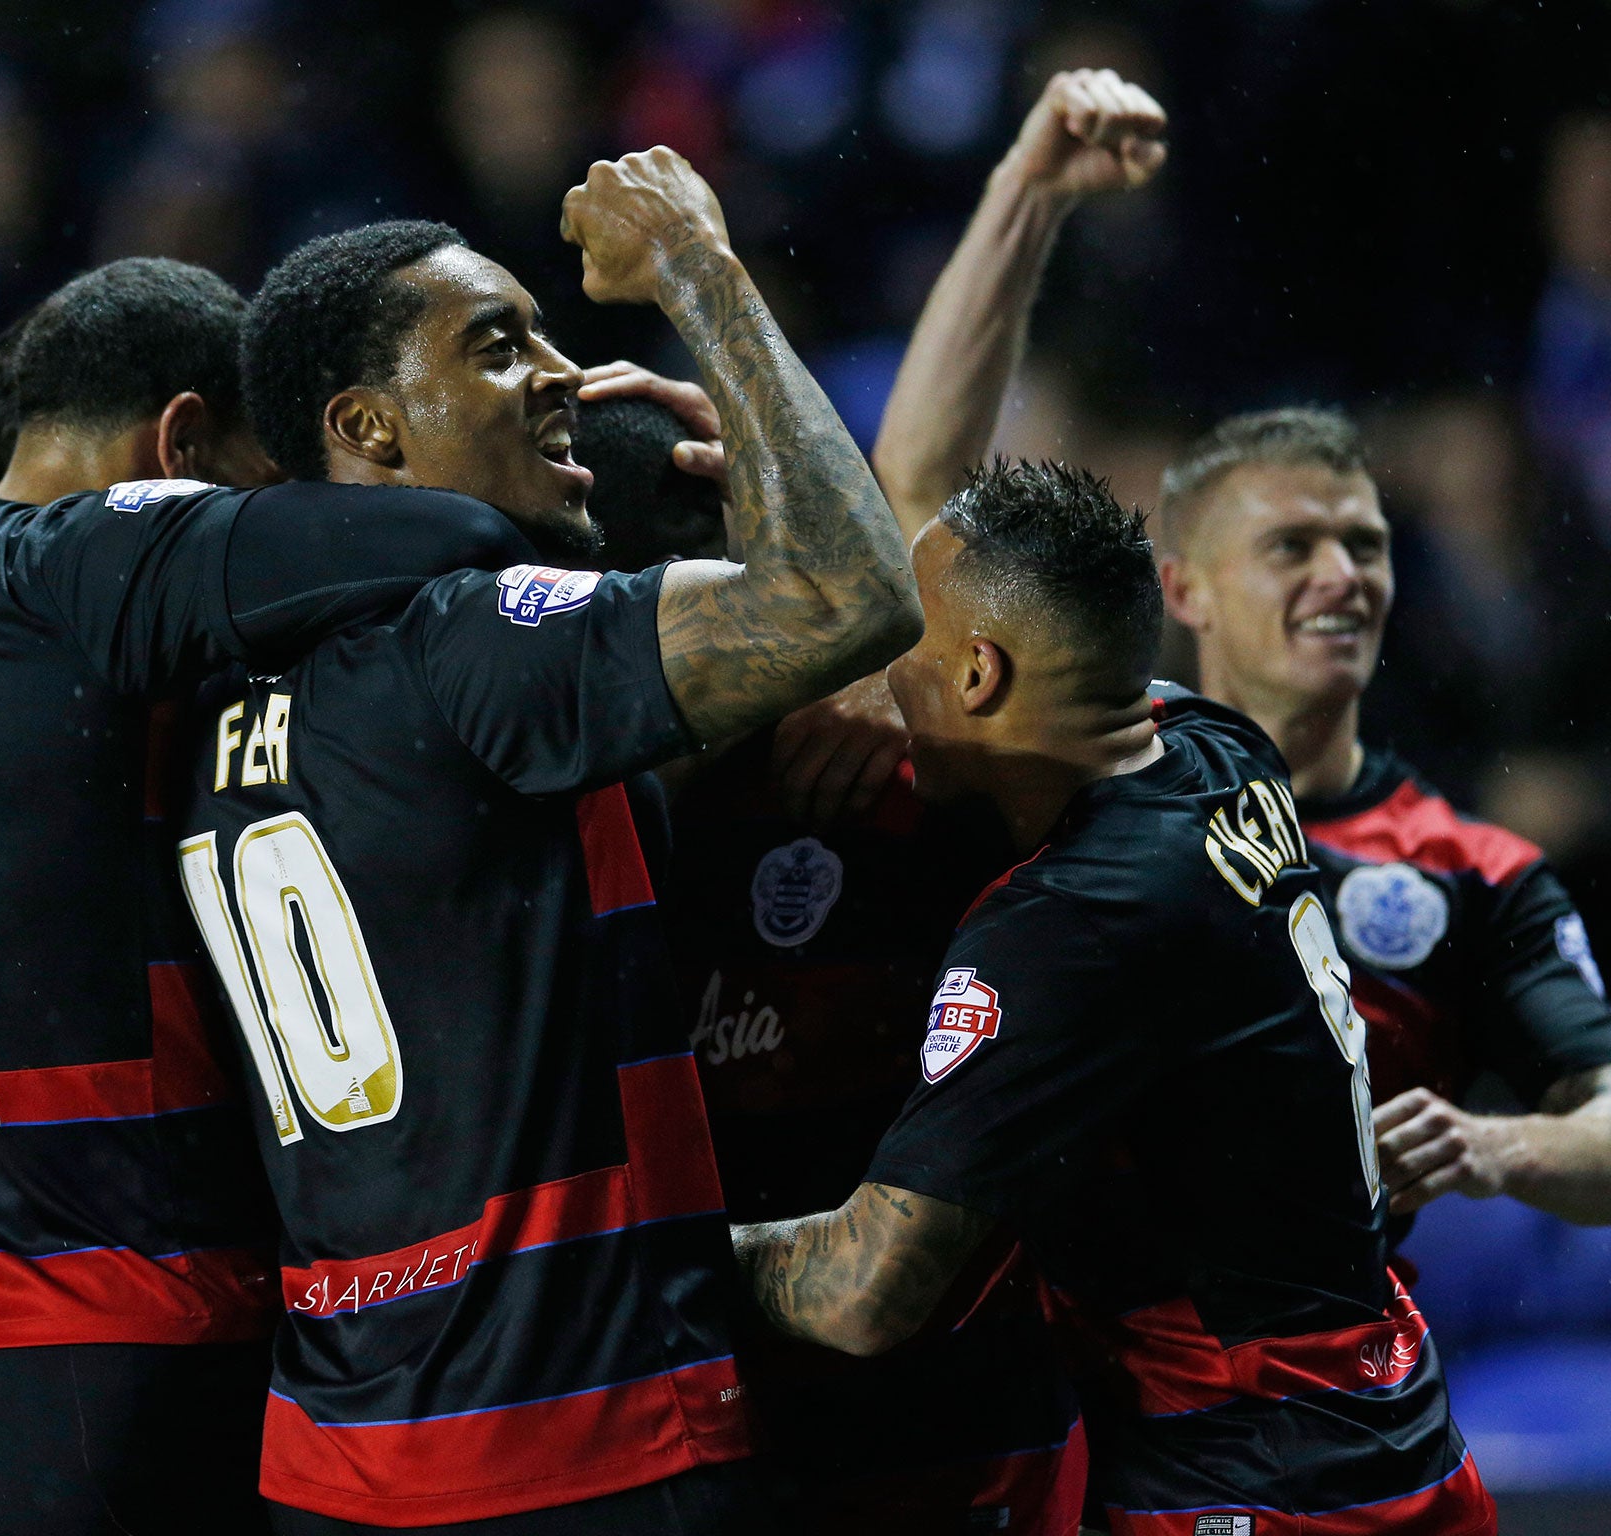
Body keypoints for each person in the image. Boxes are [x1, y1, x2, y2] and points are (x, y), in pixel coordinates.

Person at [170, 147, 918, 1533]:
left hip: (339, 1459)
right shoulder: (470, 641)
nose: (562, 372)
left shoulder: (222, 689)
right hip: (578, 1447)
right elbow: (850, 595)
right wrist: (701, 268)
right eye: (500, 346)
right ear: (370, 429)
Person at [0, 256, 534, 1536]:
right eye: (246, 481)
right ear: (179, 439)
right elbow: (459, 531)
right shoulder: (85, 572)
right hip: (115, 1367)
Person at [732, 459, 1498, 1533]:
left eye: (904, 642)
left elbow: (864, 1291)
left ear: (976, 675)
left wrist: (649, 1251)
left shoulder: (1066, 926)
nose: (882, 670)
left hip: (1253, 1479)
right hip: (1389, 1426)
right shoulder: (1218, 747)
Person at [619, 68, 1165, 1534]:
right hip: (711, 1430)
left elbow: (918, 489)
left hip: (959, 1416)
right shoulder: (538, 798)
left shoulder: (884, 742)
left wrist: (1025, 191)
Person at [1157, 408, 1611, 1226]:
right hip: (1087, 1339)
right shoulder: (1086, 800)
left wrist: (1493, 1148)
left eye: (1365, 545)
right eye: (1291, 546)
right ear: (1186, 589)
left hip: (1343, 1347)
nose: (1343, 574)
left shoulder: (1472, 869)